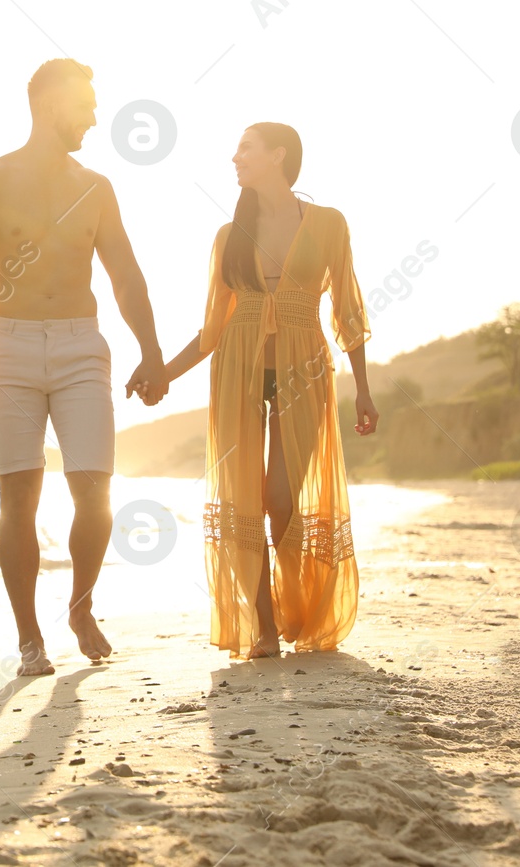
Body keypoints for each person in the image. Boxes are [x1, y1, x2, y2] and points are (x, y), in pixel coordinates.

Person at [0, 58, 168, 677]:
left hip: (79, 345)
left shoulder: (95, 187)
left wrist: (151, 351)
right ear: (48, 104)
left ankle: (79, 605)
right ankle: (28, 638)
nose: (95, 118)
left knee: (95, 490)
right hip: (7, 345)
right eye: (86, 106)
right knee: (19, 492)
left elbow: (125, 275)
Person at [132, 122, 378, 660]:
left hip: (304, 369)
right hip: (237, 369)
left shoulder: (329, 224)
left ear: (278, 154)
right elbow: (211, 329)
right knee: (245, 501)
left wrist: (362, 388)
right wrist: (162, 374)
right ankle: (264, 628)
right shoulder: (228, 235)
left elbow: (348, 311)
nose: (235, 157)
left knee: (282, 500)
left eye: (246, 148)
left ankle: (299, 604)